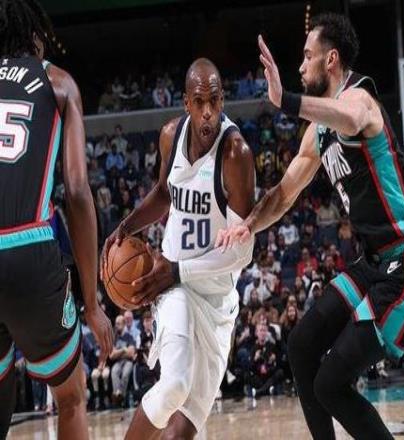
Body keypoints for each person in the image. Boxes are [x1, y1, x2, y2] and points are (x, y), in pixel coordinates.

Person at [217, 13, 404, 439]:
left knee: (331, 385)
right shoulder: (318, 133)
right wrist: (248, 224)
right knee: (302, 345)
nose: (301, 66)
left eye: (308, 57)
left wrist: (285, 99)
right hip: (374, 263)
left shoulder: (361, 99)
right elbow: (283, 194)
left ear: (331, 60)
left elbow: (352, 120)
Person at [102, 58, 255, 440]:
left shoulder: (235, 153)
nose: (208, 112)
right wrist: (126, 226)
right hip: (175, 287)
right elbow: (164, 192)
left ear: (222, 100)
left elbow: (242, 253)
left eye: (214, 101)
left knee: (182, 431)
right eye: (199, 102)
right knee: (174, 385)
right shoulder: (171, 135)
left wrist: (178, 270)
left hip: (216, 299)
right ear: (186, 102)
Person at [0, 1, 113, 438]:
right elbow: (78, 192)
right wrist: (93, 304)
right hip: (28, 249)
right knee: (70, 397)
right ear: (34, 37)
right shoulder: (58, 82)